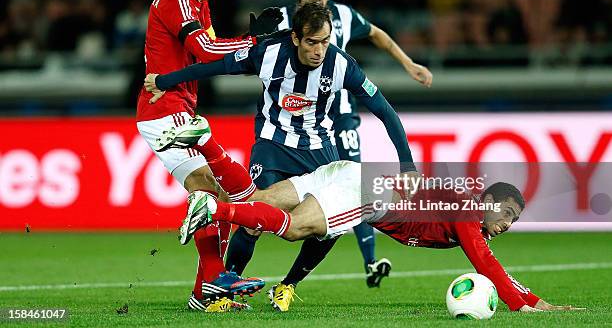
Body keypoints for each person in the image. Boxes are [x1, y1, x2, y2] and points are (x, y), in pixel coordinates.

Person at [155, 115, 585, 313]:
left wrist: (530, 297)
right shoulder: (466, 213)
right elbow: (486, 263)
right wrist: (525, 305)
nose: (506, 223)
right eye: (505, 212)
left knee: (257, 199)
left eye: (513, 219)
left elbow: (493, 263)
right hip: (364, 191)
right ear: (487, 200)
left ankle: (208, 143)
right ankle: (212, 206)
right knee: (293, 230)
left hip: (346, 171)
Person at [144, 1, 419, 310]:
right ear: (296, 38)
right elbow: (216, 67)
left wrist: (407, 165)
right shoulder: (269, 53)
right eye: (312, 42)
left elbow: (384, 110)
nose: (319, 50)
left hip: (318, 148)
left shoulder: (342, 65)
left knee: (332, 225)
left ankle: (288, 285)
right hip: (272, 145)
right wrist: (164, 81)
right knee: (253, 214)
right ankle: (225, 287)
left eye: (325, 42)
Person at [235, 0, 433, 291]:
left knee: (349, 187)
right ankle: (233, 270)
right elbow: (250, 51)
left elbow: (377, 34)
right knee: (268, 202)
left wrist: (407, 62)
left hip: (341, 115)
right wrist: (251, 37)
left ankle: (368, 261)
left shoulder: (344, 15)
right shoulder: (284, 18)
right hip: (293, 124)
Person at [135, 0, 282, 313]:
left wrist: (252, 49)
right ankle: (213, 282)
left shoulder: (199, 3)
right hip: (162, 110)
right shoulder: (176, 0)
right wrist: (255, 43)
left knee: (215, 193)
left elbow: (214, 52)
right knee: (207, 187)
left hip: (177, 106)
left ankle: (207, 293)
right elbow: (205, 51)